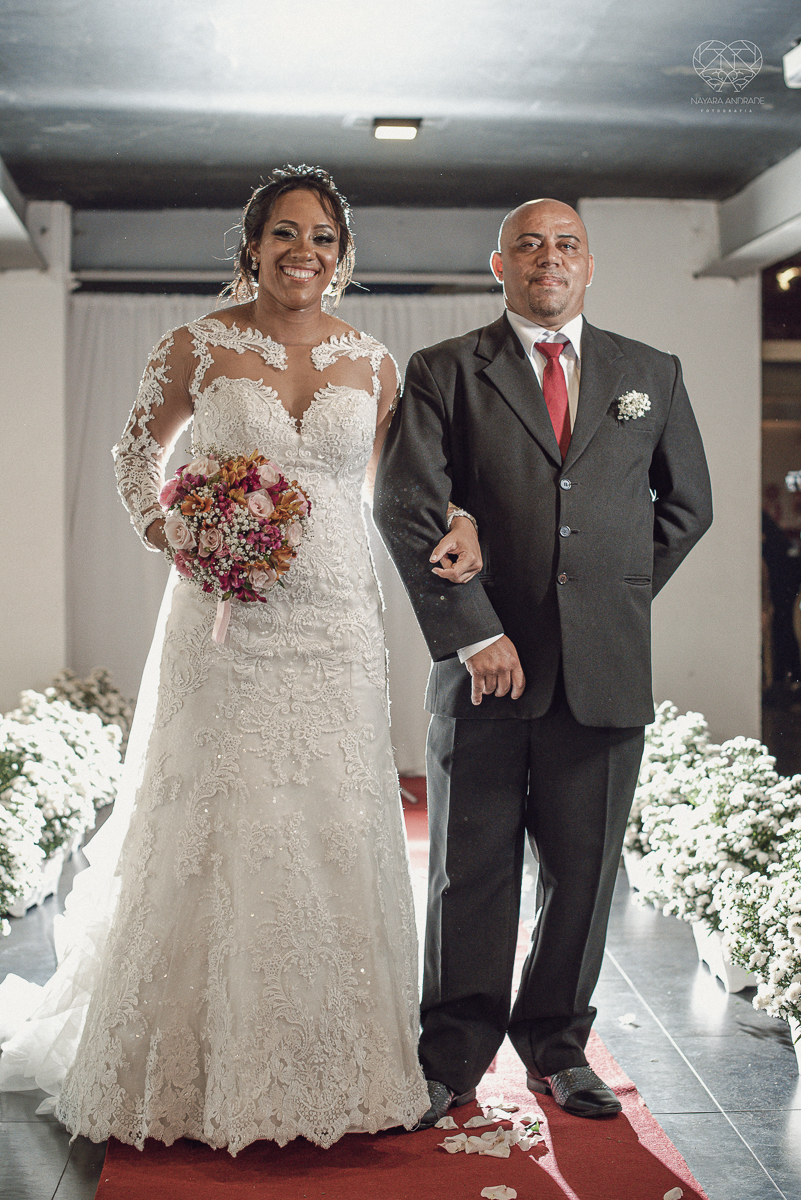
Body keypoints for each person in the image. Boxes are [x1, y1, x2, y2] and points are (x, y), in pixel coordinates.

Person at [0, 165, 482, 1153]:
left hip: (340, 618)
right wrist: (175, 535)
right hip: (223, 617)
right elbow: (138, 453)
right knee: (219, 813)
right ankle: (195, 1061)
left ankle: (334, 1063)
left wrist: (462, 517)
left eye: (323, 238)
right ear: (252, 245)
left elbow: (412, 489)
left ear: (342, 257)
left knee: (330, 818)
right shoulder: (196, 345)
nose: (304, 251)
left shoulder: (375, 363)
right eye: (285, 234)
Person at [374, 198, 713, 1125]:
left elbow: (686, 508)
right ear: (499, 264)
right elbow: (409, 505)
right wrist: (474, 631)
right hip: (484, 670)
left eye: (565, 245)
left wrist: (605, 600)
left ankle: (557, 1049)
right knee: (467, 870)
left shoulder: (651, 373)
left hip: (601, 674)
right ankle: (449, 1060)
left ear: (588, 264)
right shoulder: (444, 371)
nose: (547, 259)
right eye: (528, 245)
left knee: (582, 872)